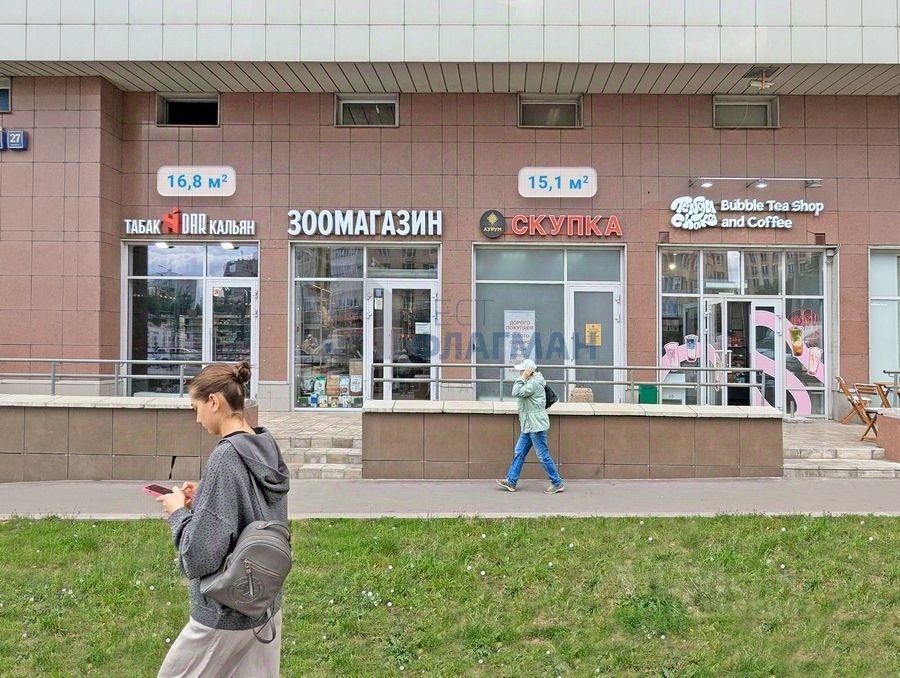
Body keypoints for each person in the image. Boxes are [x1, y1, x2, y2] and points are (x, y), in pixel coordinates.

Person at [156, 361, 290, 678]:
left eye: (196, 408)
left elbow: (199, 556)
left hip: (225, 611)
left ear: (214, 402)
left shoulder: (225, 456)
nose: (197, 418)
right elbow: (253, 508)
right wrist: (205, 493)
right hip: (264, 602)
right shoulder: (264, 445)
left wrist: (178, 512)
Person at [496, 359, 565, 494]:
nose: (520, 373)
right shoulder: (531, 382)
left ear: (529, 371)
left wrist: (522, 378)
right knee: (519, 452)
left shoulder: (534, 383)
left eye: (522, 370)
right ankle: (511, 481)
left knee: (543, 455)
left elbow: (516, 392)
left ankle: (557, 483)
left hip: (536, 425)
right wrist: (524, 378)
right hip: (529, 424)